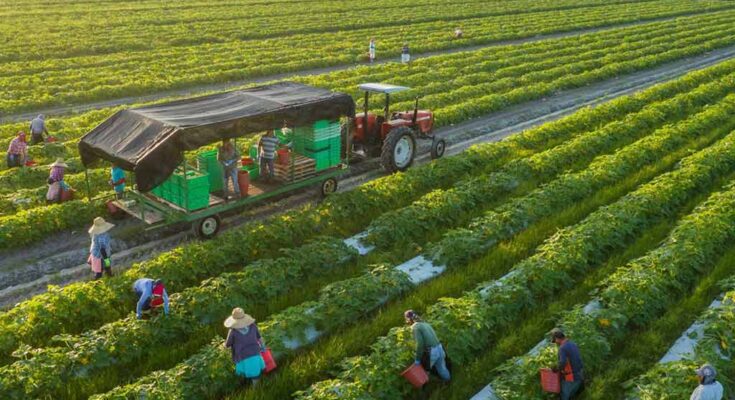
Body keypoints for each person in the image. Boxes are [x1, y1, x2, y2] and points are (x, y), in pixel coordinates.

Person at [224, 307, 267, 386]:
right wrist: (263, 347)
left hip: (242, 356)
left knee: (246, 371)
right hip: (255, 353)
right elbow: (260, 338)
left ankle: (251, 389)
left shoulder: (233, 331)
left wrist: (223, 346)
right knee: (255, 374)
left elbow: (227, 344)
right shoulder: (253, 326)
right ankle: (256, 387)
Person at [404, 309, 451, 381]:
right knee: (442, 369)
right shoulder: (425, 324)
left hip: (432, 351)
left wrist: (417, 359)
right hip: (440, 348)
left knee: (425, 371)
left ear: (408, 319)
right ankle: (449, 382)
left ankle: (427, 388)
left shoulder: (415, 327)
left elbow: (420, 344)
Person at [550, 328, 584, 400]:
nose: (555, 343)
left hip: (570, 378)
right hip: (579, 375)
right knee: (572, 395)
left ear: (557, 338)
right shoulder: (573, 344)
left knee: (564, 396)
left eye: (555, 340)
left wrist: (556, 369)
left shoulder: (562, 348)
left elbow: (562, 362)